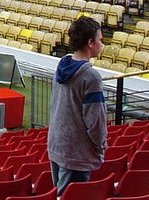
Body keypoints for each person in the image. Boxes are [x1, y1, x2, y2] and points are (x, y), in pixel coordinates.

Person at [48, 17, 107, 195]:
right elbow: (95, 120)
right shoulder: (91, 76)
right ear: (90, 42)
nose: (101, 44)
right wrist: (100, 145)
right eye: (100, 39)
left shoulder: (62, 65)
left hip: (57, 145)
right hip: (76, 152)